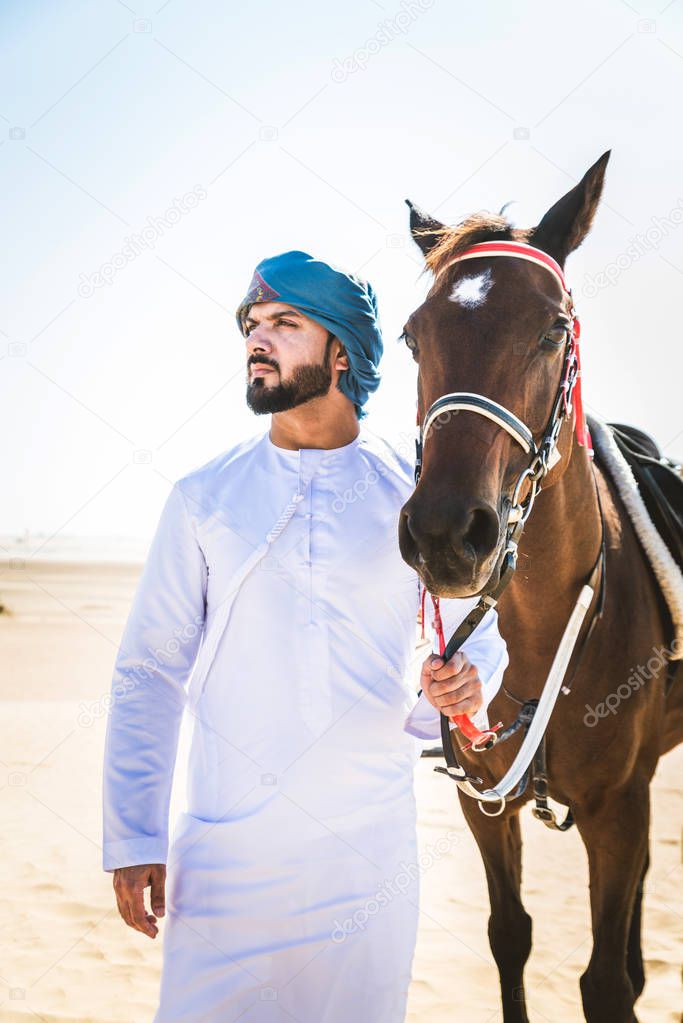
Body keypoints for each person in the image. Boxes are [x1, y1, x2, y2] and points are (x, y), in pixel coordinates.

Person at [102, 250, 509, 1022]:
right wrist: (132, 832)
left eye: (285, 323)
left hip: (367, 861)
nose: (258, 339)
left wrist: (468, 679)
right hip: (224, 863)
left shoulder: (412, 491)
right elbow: (149, 671)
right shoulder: (203, 497)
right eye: (252, 325)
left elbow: (476, 631)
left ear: (342, 351)